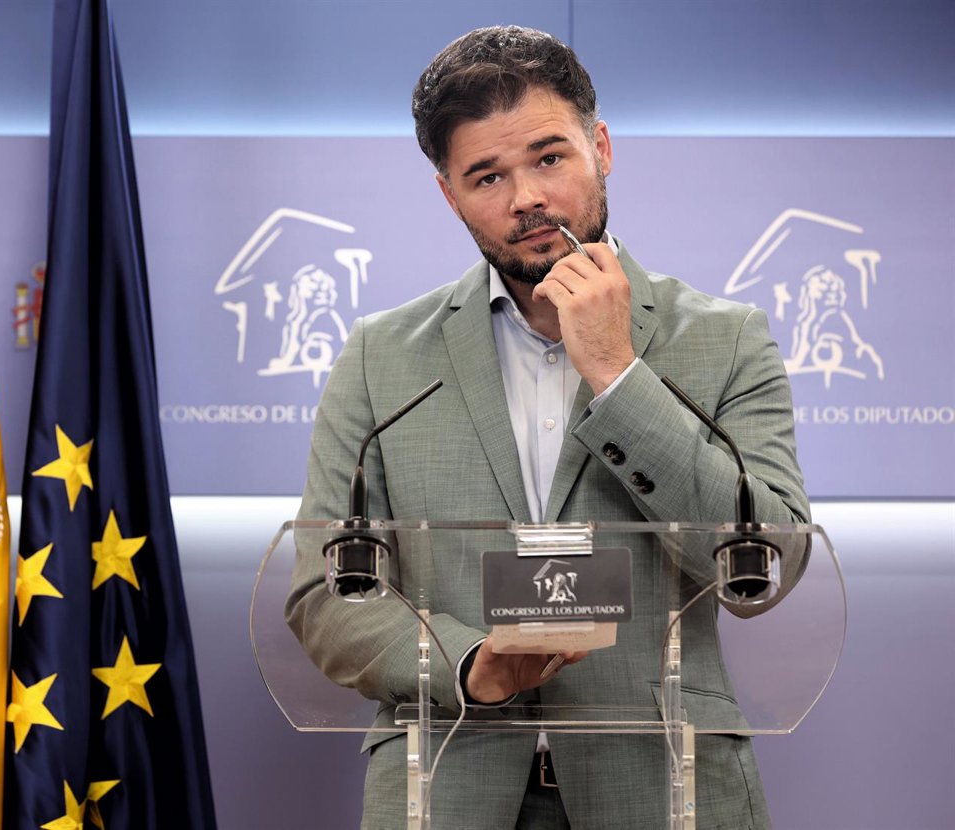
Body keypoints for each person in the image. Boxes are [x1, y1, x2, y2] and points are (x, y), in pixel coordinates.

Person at [288, 25, 808, 830]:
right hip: (448, 783)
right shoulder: (379, 356)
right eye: (488, 176)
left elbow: (767, 564)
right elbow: (326, 594)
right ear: (450, 196)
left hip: (664, 785)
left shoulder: (726, 337)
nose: (526, 197)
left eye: (549, 157)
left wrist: (617, 374)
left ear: (601, 148)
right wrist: (468, 664)